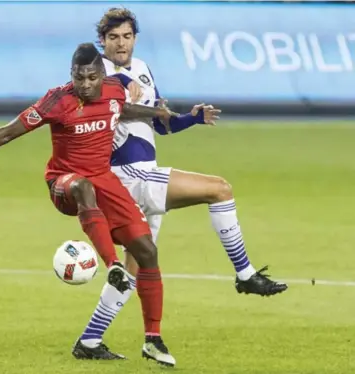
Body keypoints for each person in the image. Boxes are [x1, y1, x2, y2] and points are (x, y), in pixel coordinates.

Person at [0, 43, 219, 367]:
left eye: (91, 77)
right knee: (83, 187)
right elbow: (8, 132)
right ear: (71, 75)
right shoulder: (57, 101)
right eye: (78, 78)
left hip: (105, 180)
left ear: (101, 74)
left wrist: (156, 113)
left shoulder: (113, 91)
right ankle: (113, 267)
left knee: (147, 251)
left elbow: (121, 109)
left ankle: (152, 339)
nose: (84, 85)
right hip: (64, 182)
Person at [72, 8, 288, 363]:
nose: (121, 44)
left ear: (135, 37)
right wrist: (128, 95)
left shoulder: (141, 68)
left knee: (135, 266)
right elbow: (114, 109)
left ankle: (90, 340)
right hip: (128, 175)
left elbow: (160, 125)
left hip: (142, 174)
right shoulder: (98, 74)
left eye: (126, 36)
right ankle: (245, 274)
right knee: (219, 189)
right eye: (113, 38)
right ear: (102, 41)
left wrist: (191, 118)